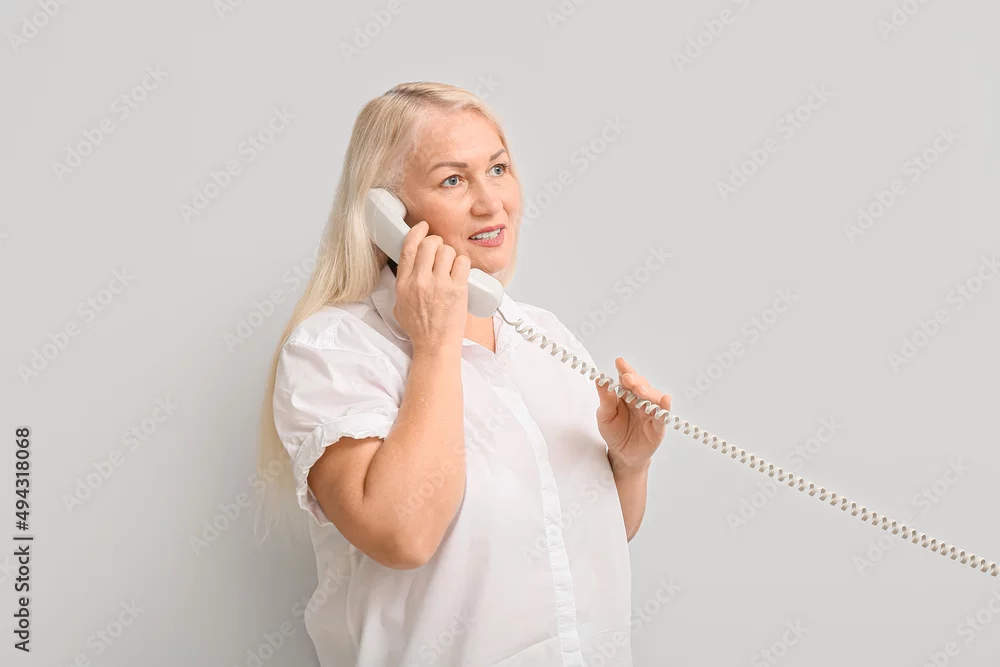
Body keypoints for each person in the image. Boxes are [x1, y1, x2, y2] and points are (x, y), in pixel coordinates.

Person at [255, 81, 672, 667]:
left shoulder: (544, 336)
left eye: (498, 169)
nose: (491, 202)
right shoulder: (333, 351)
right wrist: (435, 345)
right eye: (453, 180)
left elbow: (583, 541)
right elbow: (403, 536)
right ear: (387, 215)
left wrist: (629, 465)